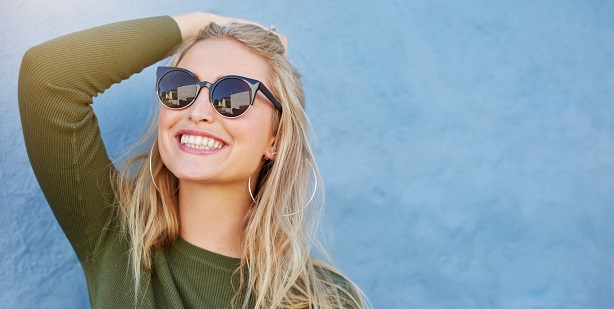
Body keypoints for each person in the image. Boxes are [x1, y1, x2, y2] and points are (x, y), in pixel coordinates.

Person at [19, 12, 368, 309]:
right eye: (181, 86)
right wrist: (206, 23)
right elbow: (47, 78)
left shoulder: (324, 298)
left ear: (275, 139)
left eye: (233, 94)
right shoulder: (116, 237)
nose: (198, 111)